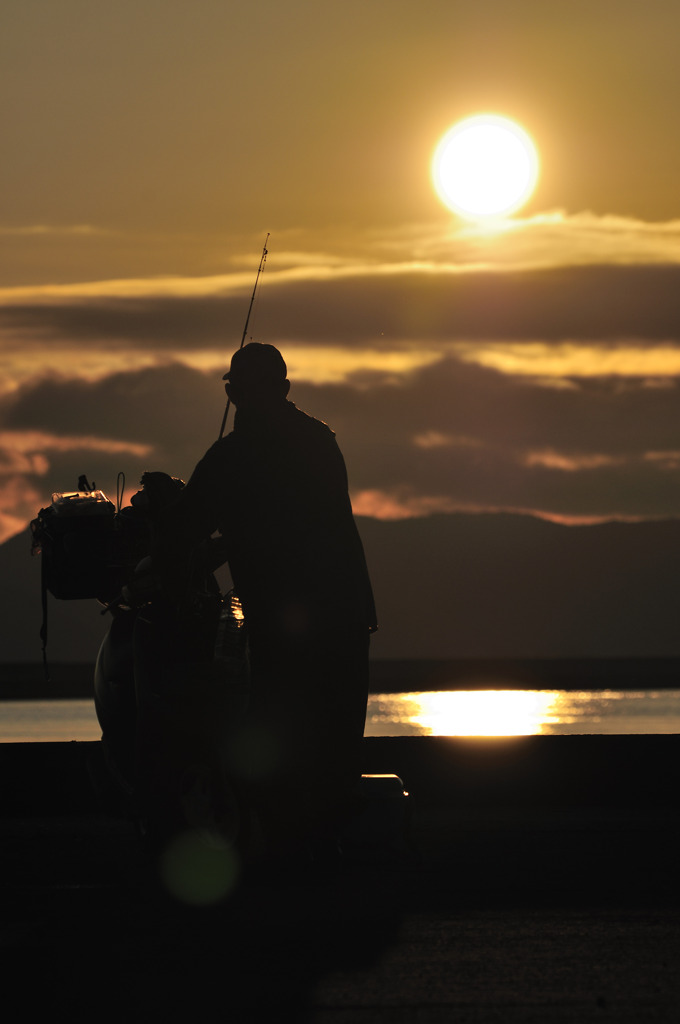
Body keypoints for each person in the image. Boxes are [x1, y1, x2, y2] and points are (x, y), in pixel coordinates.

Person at [157, 342, 377, 852]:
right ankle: (332, 859)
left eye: (237, 388)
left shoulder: (233, 456)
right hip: (345, 612)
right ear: (284, 390)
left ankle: (282, 853)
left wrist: (175, 530)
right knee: (335, 738)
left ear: (235, 395)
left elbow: (188, 527)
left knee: (274, 731)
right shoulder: (319, 439)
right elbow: (304, 525)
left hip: (283, 621)